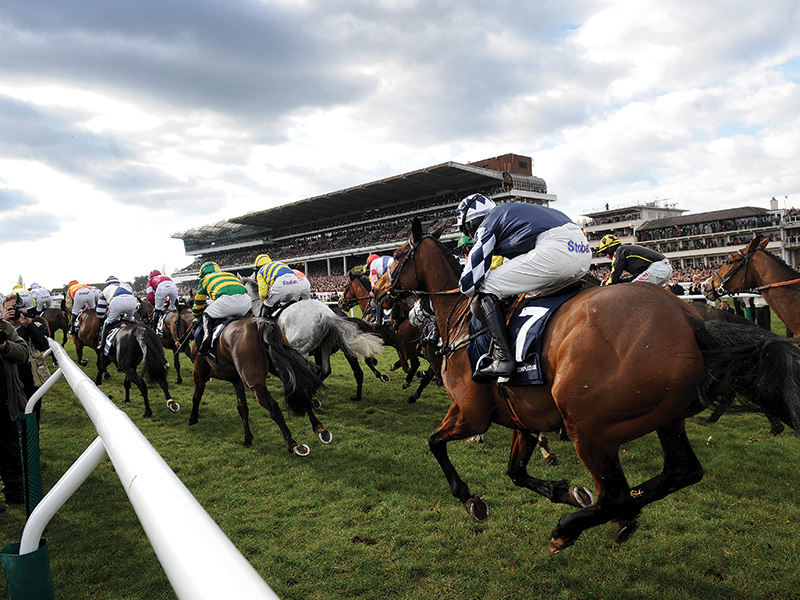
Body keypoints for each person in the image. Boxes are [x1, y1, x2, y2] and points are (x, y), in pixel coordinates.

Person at [457, 194, 591, 378]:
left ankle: (504, 359)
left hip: (556, 249)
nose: (470, 237)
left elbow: (468, 284)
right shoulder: (514, 214)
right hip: (583, 251)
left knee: (486, 287)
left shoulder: (488, 221)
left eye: (467, 232)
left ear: (470, 223)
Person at [2, 293, 50, 424]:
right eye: (9, 309)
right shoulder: (2, 327)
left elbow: (43, 345)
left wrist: (28, 325)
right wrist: (3, 323)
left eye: (15, 307)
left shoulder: (35, 324)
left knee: (32, 420)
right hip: (9, 381)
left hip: (30, 380)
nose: (13, 311)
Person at [0, 312, 29, 510]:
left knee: (10, 450)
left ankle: (15, 492)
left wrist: (4, 346)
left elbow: (23, 353)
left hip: (6, 403)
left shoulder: (4, 327)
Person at [192, 261, 252, 355]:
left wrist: (196, 314)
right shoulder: (230, 275)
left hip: (226, 302)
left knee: (206, 313)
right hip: (246, 301)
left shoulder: (205, 279)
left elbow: (199, 302)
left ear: (203, 274)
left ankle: (207, 338)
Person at [596, 234, 673, 286]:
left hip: (657, 268)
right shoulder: (624, 250)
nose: (606, 256)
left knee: (632, 289)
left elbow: (614, 276)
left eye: (604, 253)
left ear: (610, 249)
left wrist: (605, 285)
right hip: (663, 267)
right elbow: (633, 278)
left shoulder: (619, 252)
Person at [96, 276, 138, 351]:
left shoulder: (106, 289)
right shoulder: (126, 285)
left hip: (117, 302)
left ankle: (102, 345)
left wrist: (104, 316)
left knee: (107, 321)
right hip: (132, 301)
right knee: (131, 319)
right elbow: (136, 308)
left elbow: (100, 312)